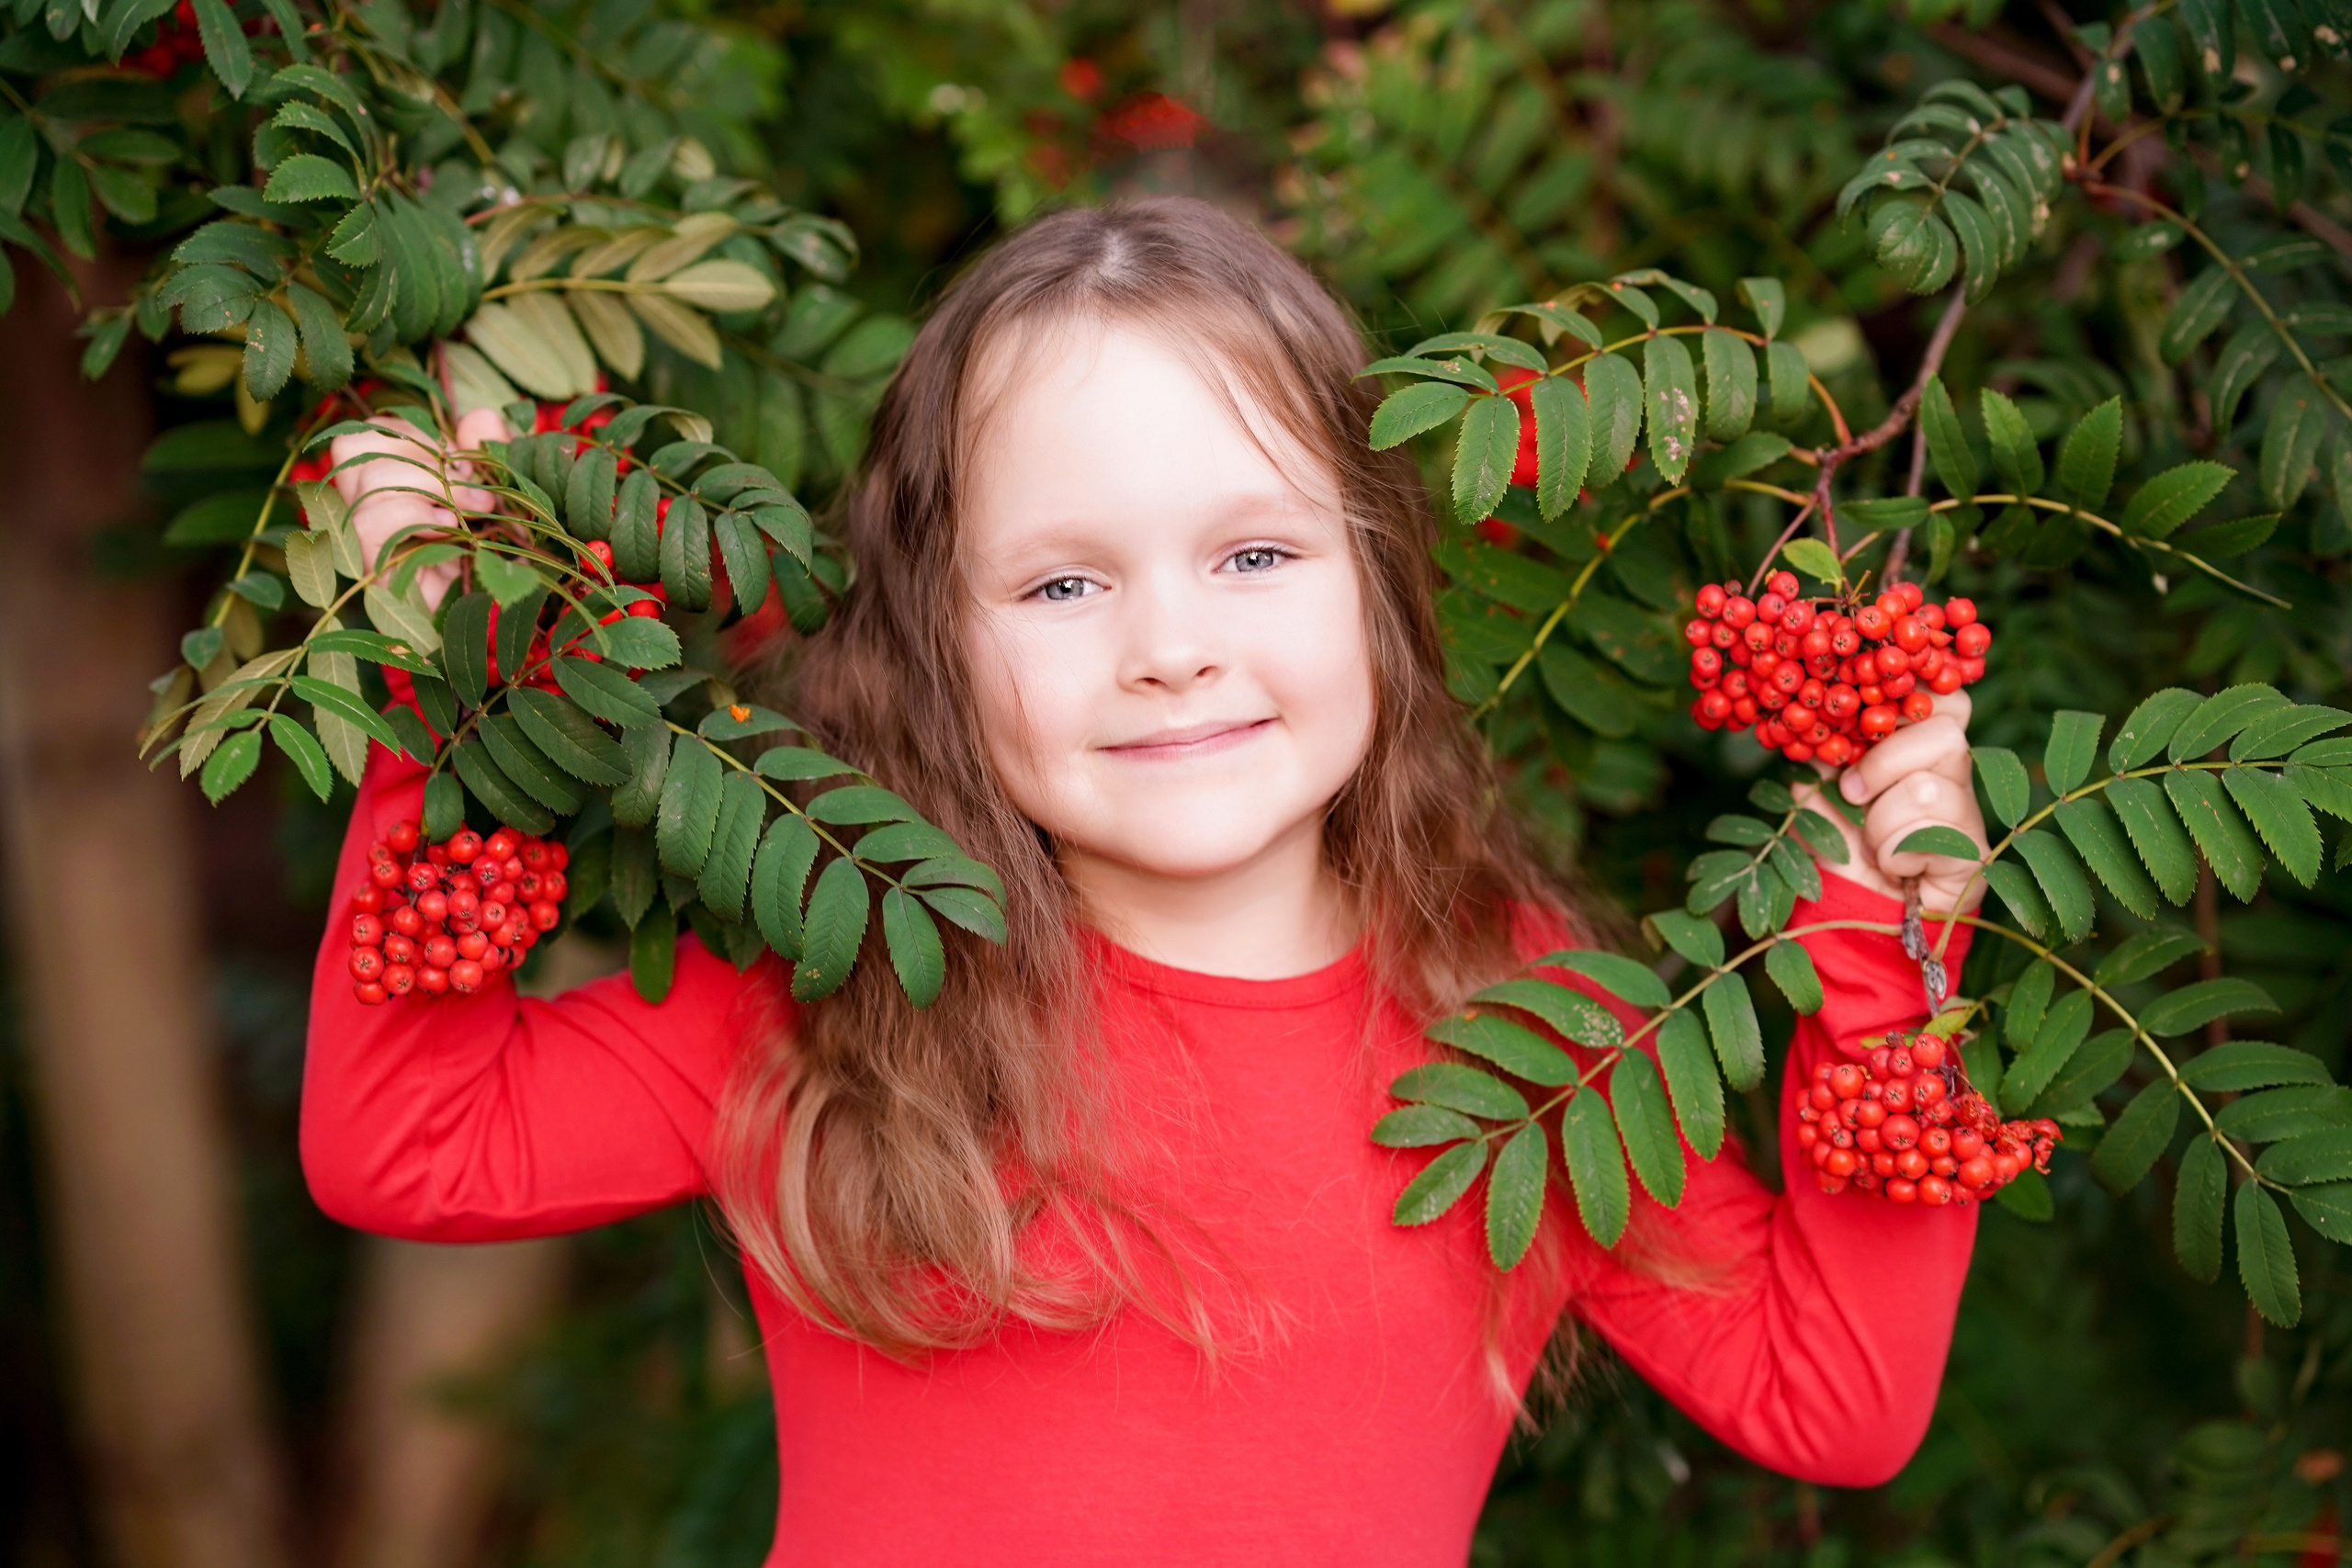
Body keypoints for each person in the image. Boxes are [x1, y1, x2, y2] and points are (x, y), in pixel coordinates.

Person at [301, 197, 1993, 1565]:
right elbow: (406, 1146)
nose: (1172, 649)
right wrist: (466, 695)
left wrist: (1889, 942)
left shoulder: (1514, 1013)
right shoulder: (840, 980)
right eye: (1059, 586)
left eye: (1254, 555)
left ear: (1380, 586)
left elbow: (1827, 1396)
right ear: (936, 648)